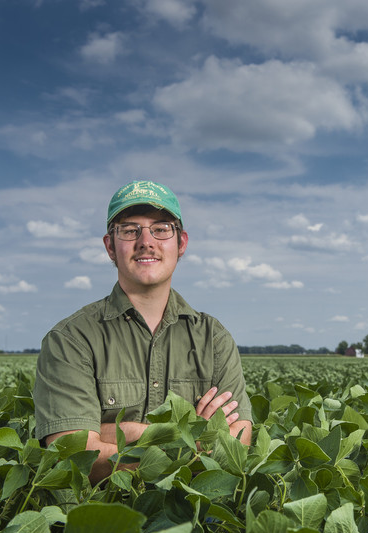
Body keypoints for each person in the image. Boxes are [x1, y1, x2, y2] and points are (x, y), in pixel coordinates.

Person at [33, 180, 253, 483]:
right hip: (101, 521)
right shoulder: (71, 339)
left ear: (182, 243)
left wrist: (123, 432)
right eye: (129, 230)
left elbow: (237, 446)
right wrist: (191, 438)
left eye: (161, 229)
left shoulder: (214, 339)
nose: (146, 241)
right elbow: (74, 456)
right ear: (110, 246)